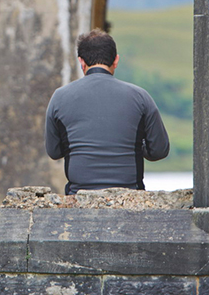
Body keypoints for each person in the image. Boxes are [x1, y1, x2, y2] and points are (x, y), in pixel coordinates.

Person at [44, 28, 170, 194]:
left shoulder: (59, 97)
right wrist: (136, 146)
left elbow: (54, 152)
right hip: (130, 196)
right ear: (116, 60)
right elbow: (159, 150)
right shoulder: (141, 97)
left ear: (81, 62)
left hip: (79, 197)